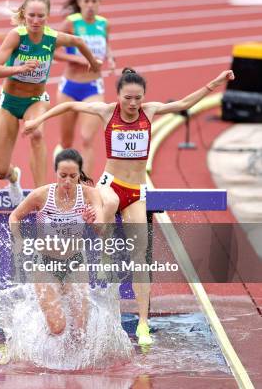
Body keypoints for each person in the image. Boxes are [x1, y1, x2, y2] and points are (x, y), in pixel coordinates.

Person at [24, 67, 235, 345]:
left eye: (137, 98)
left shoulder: (151, 111)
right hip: (110, 185)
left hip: (137, 191)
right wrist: (38, 119)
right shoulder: (106, 111)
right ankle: (102, 249)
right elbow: (71, 105)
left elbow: (184, 104)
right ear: (119, 96)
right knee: (105, 205)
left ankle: (143, 324)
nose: (133, 104)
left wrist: (216, 82)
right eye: (128, 98)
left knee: (141, 258)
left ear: (144, 97)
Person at [0, 0, 100, 206]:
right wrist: (18, 69)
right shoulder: (16, 37)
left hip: (36, 101)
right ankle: (14, 177)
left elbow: (78, 41)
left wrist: (92, 61)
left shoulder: (52, 37)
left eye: (41, 16)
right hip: (9, 102)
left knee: (37, 134)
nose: (36, 20)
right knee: (0, 170)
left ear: (47, 17)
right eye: (31, 15)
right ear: (24, 15)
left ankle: (43, 199)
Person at [9, 148, 101, 335]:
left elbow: (102, 230)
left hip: (75, 262)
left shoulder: (90, 195)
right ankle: (35, 342)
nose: (67, 181)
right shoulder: (41, 195)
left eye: (73, 176)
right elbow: (15, 216)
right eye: (63, 175)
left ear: (79, 174)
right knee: (58, 327)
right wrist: (18, 240)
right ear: (56, 173)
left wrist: (93, 222)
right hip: (45, 265)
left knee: (80, 331)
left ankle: (74, 363)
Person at [53, 0, 116, 174]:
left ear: (99, 4)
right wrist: (78, 59)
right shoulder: (71, 23)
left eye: (94, 1)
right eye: (86, 1)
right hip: (69, 88)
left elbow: (106, 44)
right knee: (66, 142)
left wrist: (111, 58)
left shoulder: (104, 24)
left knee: (87, 139)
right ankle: (62, 177)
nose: (90, 5)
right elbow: (52, 51)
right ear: (79, 2)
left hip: (93, 88)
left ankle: (86, 185)